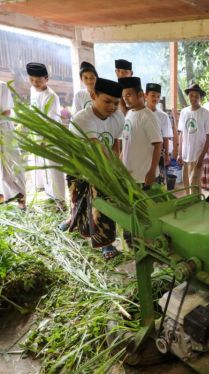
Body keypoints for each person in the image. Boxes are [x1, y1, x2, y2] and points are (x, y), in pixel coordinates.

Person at [68, 78, 124, 259]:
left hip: (103, 169)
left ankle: (105, 243)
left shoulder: (118, 117)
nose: (112, 107)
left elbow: (115, 143)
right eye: (107, 101)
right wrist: (115, 173)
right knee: (80, 202)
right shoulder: (82, 119)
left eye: (116, 102)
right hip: (80, 167)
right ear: (93, 95)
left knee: (102, 205)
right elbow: (98, 148)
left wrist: (117, 163)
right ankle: (76, 224)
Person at [27, 62, 66, 207]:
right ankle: (49, 193)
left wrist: (45, 139)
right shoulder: (32, 90)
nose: (35, 83)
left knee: (53, 165)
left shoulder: (51, 96)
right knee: (42, 165)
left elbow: (52, 120)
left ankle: (60, 199)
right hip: (37, 133)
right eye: (32, 80)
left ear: (47, 79)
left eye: (39, 80)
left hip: (51, 136)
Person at [119, 77, 162, 188]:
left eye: (128, 95)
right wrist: (119, 163)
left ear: (140, 95)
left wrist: (152, 172)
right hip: (130, 175)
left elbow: (158, 145)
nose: (125, 99)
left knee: (146, 205)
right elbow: (126, 141)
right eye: (123, 96)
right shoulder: (129, 114)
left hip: (144, 176)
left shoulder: (148, 116)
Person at [176, 84, 209, 195]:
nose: (193, 98)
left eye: (196, 96)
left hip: (197, 154)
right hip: (185, 154)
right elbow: (181, 133)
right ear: (188, 96)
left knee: (194, 184)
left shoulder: (205, 113)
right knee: (186, 182)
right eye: (191, 95)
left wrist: (201, 157)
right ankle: (189, 202)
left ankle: (196, 205)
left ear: (200, 98)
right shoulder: (184, 112)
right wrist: (179, 153)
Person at [0, 80, 26, 210]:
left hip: (4, 129)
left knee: (14, 163)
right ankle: (6, 195)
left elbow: (7, 112)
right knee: (1, 168)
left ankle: (22, 198)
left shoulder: (2, 85)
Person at [145, 83, 172, 184]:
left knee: (158, 180)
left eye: (158, 96)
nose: (155, 98)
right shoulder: (139, 113)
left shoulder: (163, 116)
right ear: (145, 95)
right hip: (144, 151)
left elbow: (165, 137)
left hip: (158, 152)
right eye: (152, 95)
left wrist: (167, 154)